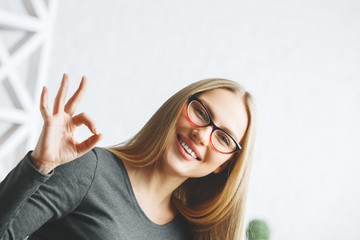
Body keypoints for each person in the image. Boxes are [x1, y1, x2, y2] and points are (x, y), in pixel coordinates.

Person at [0, 74, 256, 240]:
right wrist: (39, 166)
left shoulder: (188, 234)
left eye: (223, 138)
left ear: (224, 165)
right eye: (201, 112)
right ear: (178, 107)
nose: (202, 135)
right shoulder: (89, 170)